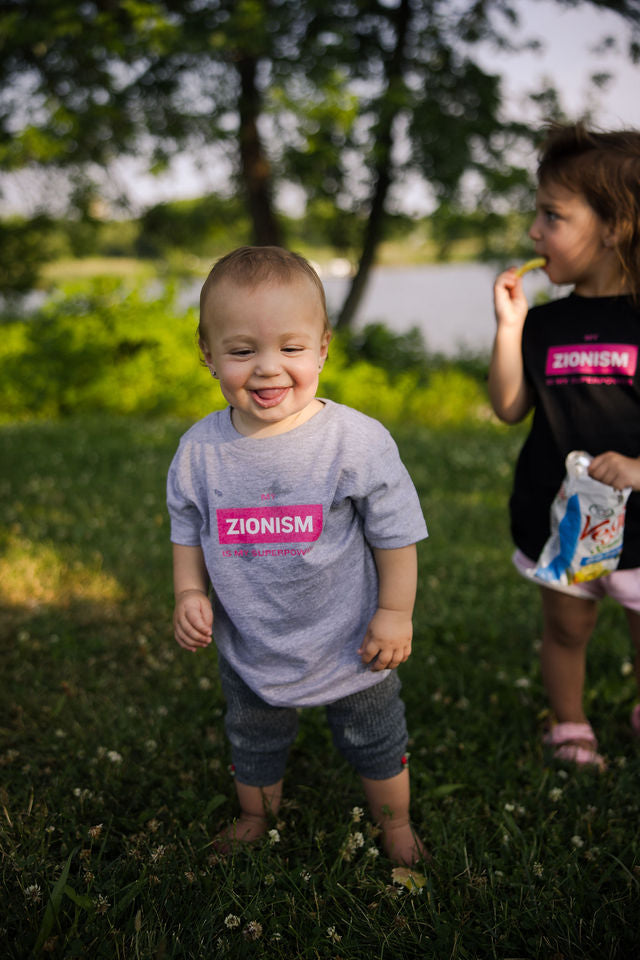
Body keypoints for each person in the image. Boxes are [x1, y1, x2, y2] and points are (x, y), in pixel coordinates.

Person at [167, 245, 428, 863]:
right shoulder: (200, 451)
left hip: (351, 641)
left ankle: (395, 828)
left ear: (322, 348)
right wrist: (188, 591)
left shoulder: (354, 441)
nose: (267, 369)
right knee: (253, 738)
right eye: (241, 351)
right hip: (253, 642)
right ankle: (257, 816)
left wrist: (394, 614)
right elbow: (186, 526)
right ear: (209, 355)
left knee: (376, 738)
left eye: (290, 348)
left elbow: (396, 533)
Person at [489, 123, 640, 770]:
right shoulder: (546, 321)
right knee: (566, 626)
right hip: (562, 515)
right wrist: (509, 327)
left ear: (614, 228)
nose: (534, 232)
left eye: (553, 215)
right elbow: (509, 406)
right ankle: (571, 723)